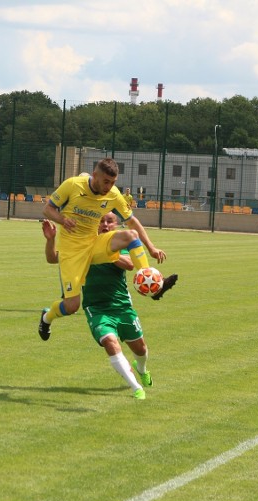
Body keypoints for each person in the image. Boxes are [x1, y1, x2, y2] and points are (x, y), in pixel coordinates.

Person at [38, 157, 175, 341]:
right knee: (71, 306)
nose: (109, 186)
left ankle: (149, 279)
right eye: (106, 181)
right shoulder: (72, 185)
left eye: (113, 182)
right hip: (72, 252)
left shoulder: (113, 194)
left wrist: (150, 247)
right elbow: (48, 209)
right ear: (95, 175)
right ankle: (47, 317)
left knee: (130, 235)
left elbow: (132, 221)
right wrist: (62, 220)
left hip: (94, 244)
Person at [43, 214, 164, 400]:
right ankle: (136, 388)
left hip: (122, 306)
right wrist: (51, 240)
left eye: (109, 221)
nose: (105, 225)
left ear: (116, 225)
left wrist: (105, 253)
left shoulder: (117, 245)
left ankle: (142, 369)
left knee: (140, 349)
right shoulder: (81, 248)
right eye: (101, 221)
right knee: (109, 342)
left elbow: (131, 265)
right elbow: (52, 258)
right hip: (96, 308)